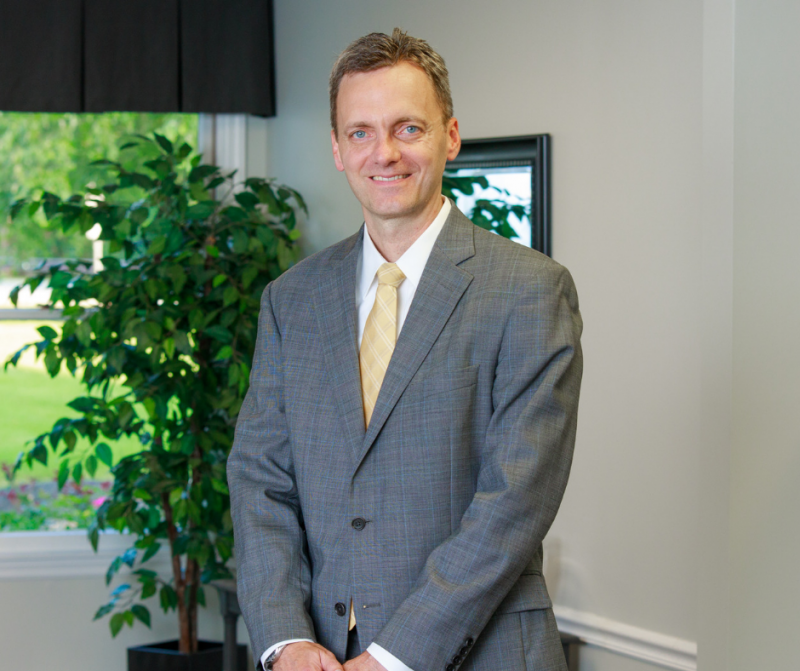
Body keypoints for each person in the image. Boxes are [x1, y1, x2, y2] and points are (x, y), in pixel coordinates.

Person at [228, 28, 583, 671]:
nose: (384, 153)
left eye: (408, 128)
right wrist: (286, 641)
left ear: (450, 136)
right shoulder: (291, 300)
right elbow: (261, 482)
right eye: (360, 132)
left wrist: (393, 657)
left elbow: (514, 502)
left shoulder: (530, 290)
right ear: (338, 148)